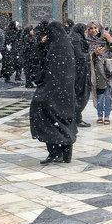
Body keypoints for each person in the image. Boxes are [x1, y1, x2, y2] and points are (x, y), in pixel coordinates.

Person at [30, 21, 77, 164]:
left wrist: (39, 80)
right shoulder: (66, 45)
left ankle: (55, 152)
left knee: (45, 116)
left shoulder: (57, 47)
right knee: (64, 119)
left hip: (53, 91)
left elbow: (47, 69)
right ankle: (65, 153)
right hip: (66, 93)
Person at [86, 20, 112, 124]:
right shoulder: (88, 40)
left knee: (108, 94)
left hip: (108, 70)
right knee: (100, 94)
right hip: (96, 71)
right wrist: (95, 54)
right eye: (91, 28)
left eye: (95, 28)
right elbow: (86, 57)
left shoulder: (105, 39)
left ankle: (106, 116)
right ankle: (99, 115)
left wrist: (111, 42)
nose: (94, 30)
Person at [69, 23, 93, 128]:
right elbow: (79, 56)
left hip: (76, 70)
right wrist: (89, 56)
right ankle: (76, 117)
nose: (86, 33)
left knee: (79, 93)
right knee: (81, 93)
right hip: (79, 71)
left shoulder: (73, 37)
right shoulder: (76, 39)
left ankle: (75, 117)